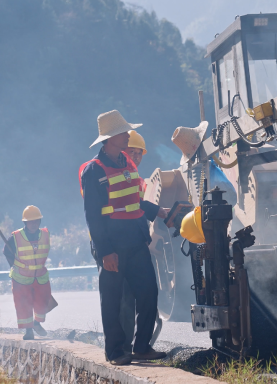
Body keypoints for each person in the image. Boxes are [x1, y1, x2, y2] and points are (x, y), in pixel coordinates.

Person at [79, 110, 169, 365]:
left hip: (136, 239)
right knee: (114, 300)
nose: (129, 135)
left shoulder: (126, 162)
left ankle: (141, 347)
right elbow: (93, 216)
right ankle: (116, 352)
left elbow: (133, 201)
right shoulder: (93, 171)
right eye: (124, 132)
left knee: (149, 292)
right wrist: (105, 251)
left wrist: (157, 211)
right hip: (112, 245)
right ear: (110, 138)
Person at [2, 205, 53, 340]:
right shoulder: (15, 237)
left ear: (40, 222)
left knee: (43, 302)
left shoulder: (45, 234)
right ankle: (28, 330)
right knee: (23, 304)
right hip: (21, 277)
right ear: (25, 222)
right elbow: (6, 252)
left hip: (40, 276)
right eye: (30, 221)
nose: (33, 224)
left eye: (36, 221)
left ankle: (37, 323)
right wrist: (16, 266)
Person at [119, 130, 148, 355]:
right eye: (132, 152)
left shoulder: (136, 176)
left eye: (139, 153)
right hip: (119, 243)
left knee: (144, 294)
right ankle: (125, 347)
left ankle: (139, 346)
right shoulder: (118, 174)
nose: (136, 157)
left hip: (134, 240)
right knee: (125, 298)